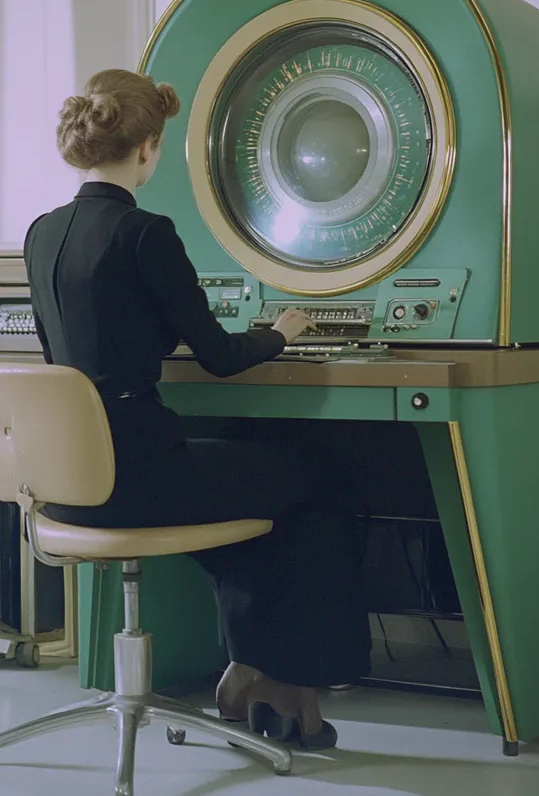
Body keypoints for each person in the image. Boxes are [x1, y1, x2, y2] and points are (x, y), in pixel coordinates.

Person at [24, 68, 371, 749]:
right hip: (138, 481)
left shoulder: (41, 233)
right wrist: (281, 332)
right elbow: (220, 356)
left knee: (248, 467)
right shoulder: (145, 232)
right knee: (318, 478)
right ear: (148, 147)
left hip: (65, 491)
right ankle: (290, 682)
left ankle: (250, 669)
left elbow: (66, 355)